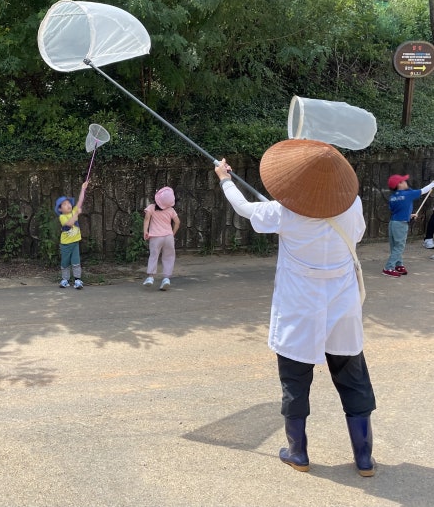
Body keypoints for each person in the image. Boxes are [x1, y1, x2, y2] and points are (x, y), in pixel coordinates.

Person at [214, 139, 376, 477]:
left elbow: (244, 208)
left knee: (294, 382)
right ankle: (364, 460)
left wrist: (225, 178)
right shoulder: (353, 205)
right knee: (353, 380)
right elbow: (356, 236)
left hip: (298, 311)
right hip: (342, 309)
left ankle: (298, 453)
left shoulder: (283, 212)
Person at [383, 174, 434, 277]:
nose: (406, 182)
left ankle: (398, 264)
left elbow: (396, 210)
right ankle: (388, 267)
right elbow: (423, 190)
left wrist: (409, 215)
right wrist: (432, 184)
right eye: (403, 181)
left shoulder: (393, 197)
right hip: (401, 225)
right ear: (399, 185)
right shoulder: (408, 194)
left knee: (395, 246)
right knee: (399, 247)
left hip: (393, 223)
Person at [142, 186, 180, 290]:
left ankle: (150, 277)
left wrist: (145, 231)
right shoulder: (171, 210)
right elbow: (177, 222)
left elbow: (146, 219)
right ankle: (166, 279)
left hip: (155, 237)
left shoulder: (151, 208)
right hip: (168, 237)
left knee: (154, 256)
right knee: (169, 257)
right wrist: (172, 233)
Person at [55, 180, 89, 289]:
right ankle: (65, 280)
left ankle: (78, 280)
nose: (68, 205)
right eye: (64, 204)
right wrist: (76, 214)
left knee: (76, 262)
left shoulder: (74, 211)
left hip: (75, 243)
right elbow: (69, 223)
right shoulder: (62, 217)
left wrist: (83, 189)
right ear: (60, 209)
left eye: (68, 203)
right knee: (65, 263)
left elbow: (80, 201)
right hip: (65, 244)